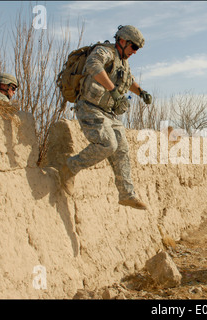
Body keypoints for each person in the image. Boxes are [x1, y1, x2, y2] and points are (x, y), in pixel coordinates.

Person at [59, 25, 152, 210]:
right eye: (133, 47)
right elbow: (93, 65)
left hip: (109, 113)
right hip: (89, 107)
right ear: (123, 41)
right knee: (108, 144)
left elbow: (128, 80)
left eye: (137, 49)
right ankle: (69, 168)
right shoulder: (105, 51)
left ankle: (126, 194)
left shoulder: (123, 61)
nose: (135, 52)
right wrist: (114, 92)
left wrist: (141, 92)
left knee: (123, 149)